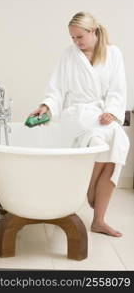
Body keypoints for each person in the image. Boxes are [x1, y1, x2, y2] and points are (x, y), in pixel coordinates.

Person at [28, 12, 130, 237]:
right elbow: (56, 88)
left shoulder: (113, 54)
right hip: (75, 114)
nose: (76, 42)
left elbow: (117, 89)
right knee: (98, 139)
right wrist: (47, 106)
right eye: (72, 38)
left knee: (119, 139)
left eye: (80, 37)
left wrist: (111, 112)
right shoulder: (69, 55)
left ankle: (98, 216)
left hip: (100, 114)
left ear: (93, 31)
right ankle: (89, 188)